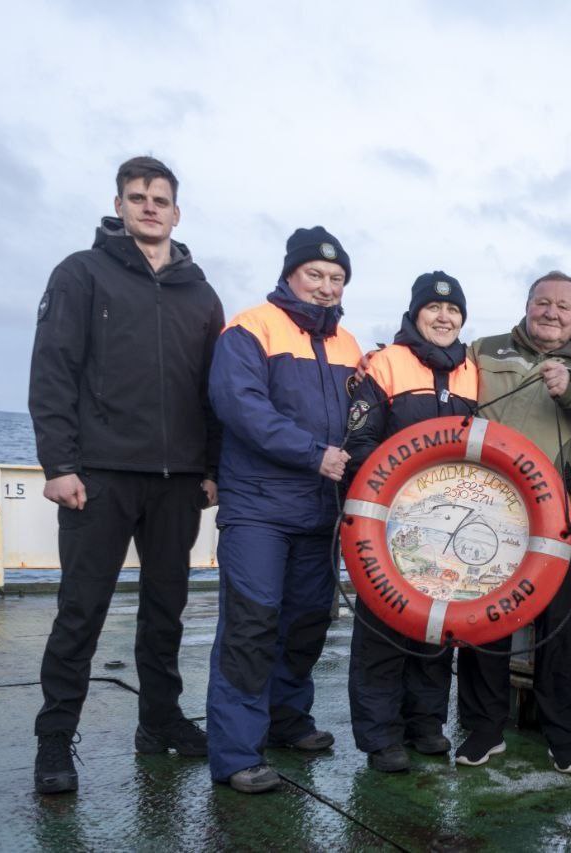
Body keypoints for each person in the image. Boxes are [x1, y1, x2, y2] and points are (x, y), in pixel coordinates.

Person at [29, 156, 224, 795]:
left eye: (159, 199)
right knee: (80, 612)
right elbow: (53, 371)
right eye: (136, 197)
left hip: (176, 483)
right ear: (118, 205)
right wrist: (59, 465)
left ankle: (159, 721)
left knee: (165, 613)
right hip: (101, 476)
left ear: (176, 211)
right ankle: (55, 739)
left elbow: (212, 390)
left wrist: (212, 467)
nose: (148, 207)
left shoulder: (202, 293)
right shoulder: (80, 274)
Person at [455, 271, 571, 774]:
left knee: (558, 632)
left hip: (562, 522)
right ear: (527, 305)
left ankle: (565, 736)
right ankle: (483, 729)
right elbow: (440, 377)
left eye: (562, 306)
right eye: (542, 303)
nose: (551, 313)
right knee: (482, 625)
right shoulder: (483, 350)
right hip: (488, 515)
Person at [204, 227, 361, 793]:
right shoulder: (250, 329)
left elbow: (360, 423)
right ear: (290, 275)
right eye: (314, 276)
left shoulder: (349, 345)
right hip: (258, 508)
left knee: (306, 623)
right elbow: (238, 406)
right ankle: (236, 753)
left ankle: (287, 720)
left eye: (336, 279)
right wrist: (311, 453)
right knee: (250, 626)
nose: (324, 287)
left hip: (320, 512)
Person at [342, 272, 477, 773]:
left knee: (436, 627)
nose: (444, 318)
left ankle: (425, 724)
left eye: (453, 311)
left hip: (451, 523)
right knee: (382, 630)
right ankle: (380, 737)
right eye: (434, 309)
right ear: (416, 313)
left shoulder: (471, 371)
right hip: (390, 524)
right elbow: (359, 443)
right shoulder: (386, 364)